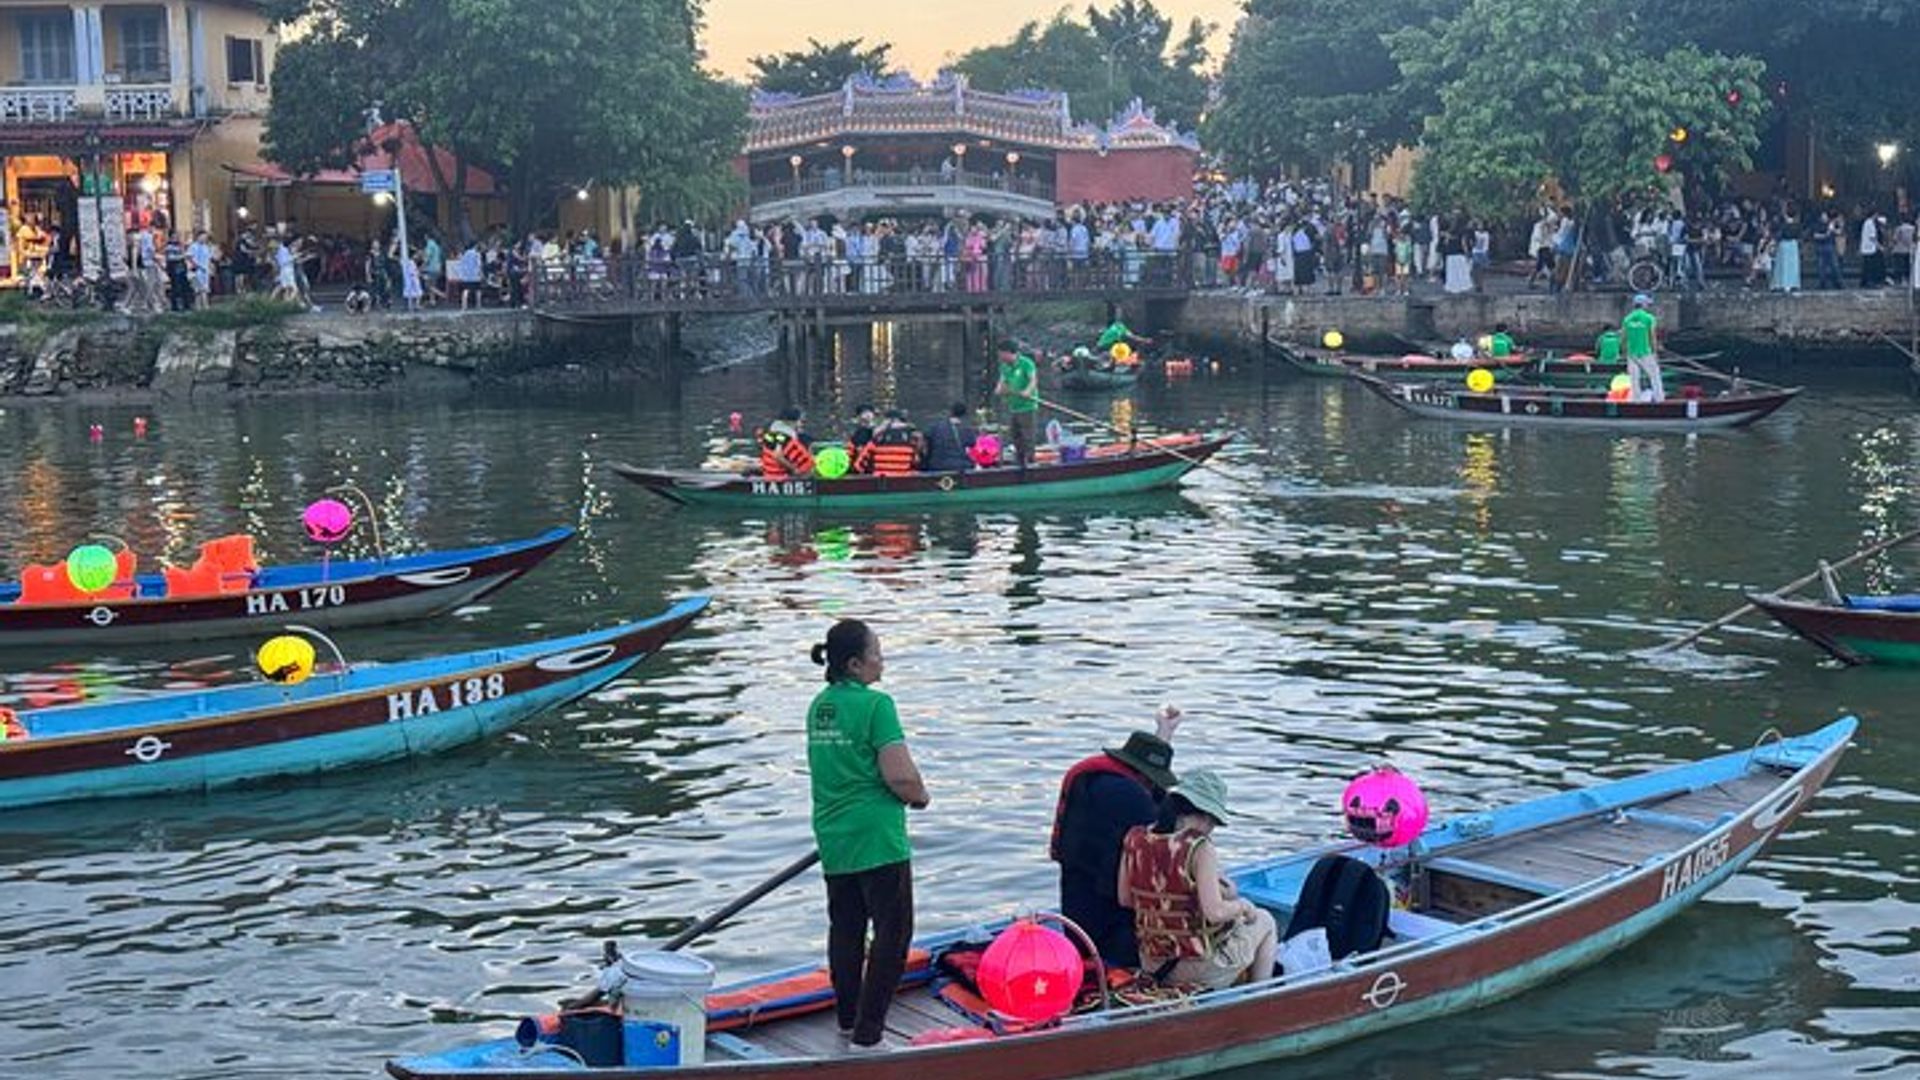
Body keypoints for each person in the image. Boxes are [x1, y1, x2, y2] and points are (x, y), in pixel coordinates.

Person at [806, 619, 928, 1050]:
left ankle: (846, 1019)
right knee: (893, 933)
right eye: (876, 652)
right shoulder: (877, 706)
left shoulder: (820, 706)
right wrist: (921, 796)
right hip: (877, 837)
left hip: (834, 835)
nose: (883, 659)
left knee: (846, 928)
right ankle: (869, 1033)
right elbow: (900, 776)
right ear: (856, 664)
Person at [1118, 769, 1278, 990]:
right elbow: (1215, 913)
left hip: (1151, 964)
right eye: (1211, 822)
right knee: (1265, 920)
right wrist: (1243, 906)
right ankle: (1260, 997)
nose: (1211, 829)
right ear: (1203, 814)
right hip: (1195, 970)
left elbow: (1126, 899)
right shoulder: (1199, 847)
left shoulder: (1134, 838)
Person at [1049, 707, 1183, 968]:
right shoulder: (1124, 795)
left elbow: (1151, 785)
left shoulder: (1099, 778)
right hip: (1109, 929)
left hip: (1079, 907)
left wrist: (1165, 731)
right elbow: (1167, 827)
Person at [995, 340, 1040, 468]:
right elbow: (1002, 381)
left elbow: (1033, 380)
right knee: (1015, 435)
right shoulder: (1004, 366)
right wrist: (1000, 389)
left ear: (1008, 353)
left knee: (1027, 437)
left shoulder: (1026, 363)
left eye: (1001, 354)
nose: (1000, 356)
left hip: (1027, 406)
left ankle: (1030, 462)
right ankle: (1019, 462)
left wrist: (1027, 391)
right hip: (1013, 406)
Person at [1622, 294, 1664, 402]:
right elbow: (1652, 337)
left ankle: (1636, 401)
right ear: (1643, 304)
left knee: (1634, 380)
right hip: (1646, 352)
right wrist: (1655, 353)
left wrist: (1624, 353)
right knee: (1655, 376)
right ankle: (1659, 399)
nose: (1648, 306)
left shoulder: (1627, 319)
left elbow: (1624, 338)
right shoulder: (1649, 318)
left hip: (1631, 354)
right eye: (1647, 304)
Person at [758, 408, 816, 478]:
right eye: (800, 421)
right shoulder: (782, 436)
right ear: (791, 422)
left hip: (770, 473)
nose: (801, 424)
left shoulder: (773, 433)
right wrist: (794, 469)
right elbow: (778, 455)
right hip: (779, 476)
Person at [921, 403, 978, 472]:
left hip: (937, 466)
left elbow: (925, 442)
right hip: (961, 466)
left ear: (951, 412)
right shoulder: (967, 429)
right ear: (964, 415)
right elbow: (972, 444)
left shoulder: (934, 427)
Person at [868, 409, 922, 476]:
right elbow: (917, 459)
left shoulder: (879, 433)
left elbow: (862, 461)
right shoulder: (911, 432)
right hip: (902, 478)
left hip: (881, 478)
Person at [847, 404, 878, 474]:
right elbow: (851, 451)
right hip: (861, 468)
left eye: (869, 412)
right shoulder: (857, 434)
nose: (867, 415)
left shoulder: (878, 431)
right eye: (864, 413)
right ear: (859, 417)